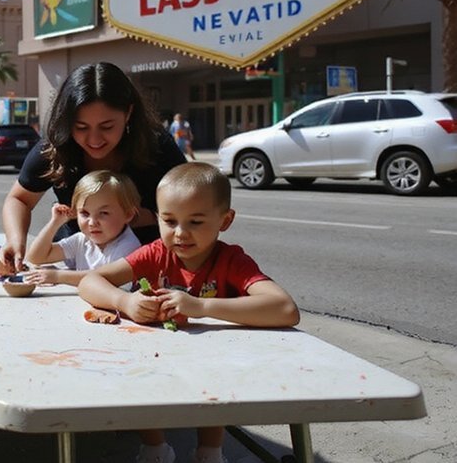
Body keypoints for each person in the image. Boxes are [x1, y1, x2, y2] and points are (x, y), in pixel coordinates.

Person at [79, 163, 300, 463]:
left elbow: (285, 308)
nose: (181, 234)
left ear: (225, 220)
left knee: (213, 384)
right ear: (157, 218)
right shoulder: (156, 253)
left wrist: (201, 306)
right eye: (169, 221)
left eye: (195, 222)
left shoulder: (231, 259)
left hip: (216, 361)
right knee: (141, 380)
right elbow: (90, 281)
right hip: (153, 358)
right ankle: (155, 447)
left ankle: (210, 451)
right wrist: (125, 302)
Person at [0, 62, 185, 277]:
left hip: (152, 266)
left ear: (128, 112)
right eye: (81, 127)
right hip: (78, 260)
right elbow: (19, 199)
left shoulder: (158, 148)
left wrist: (146, 216)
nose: (94, 140)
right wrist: (15, 242)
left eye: (107, 127)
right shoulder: (55, 149)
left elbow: (192, 207)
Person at [23, 170, 141, 286]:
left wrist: (58, 276)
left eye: (104, 213)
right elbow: (36, 257)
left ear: (128, 214)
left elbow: (106, 278)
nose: (92, 222)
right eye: (85, 213)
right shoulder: (83, 240)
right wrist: (55, 223)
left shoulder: (129, 246)